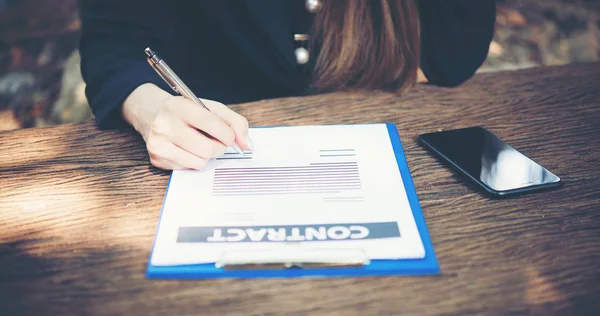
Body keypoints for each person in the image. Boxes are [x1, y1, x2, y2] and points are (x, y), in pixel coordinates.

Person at [78, 0, 496, 170]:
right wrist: (150, 109)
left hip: (400, 144)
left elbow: (451, 52)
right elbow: (113, 44)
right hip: (210, 146)